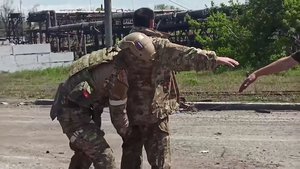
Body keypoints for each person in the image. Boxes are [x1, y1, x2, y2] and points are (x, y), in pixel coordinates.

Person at [110, 7, 240, 169]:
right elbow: (186, 55)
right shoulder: (157, 45)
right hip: (155, 114)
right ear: (152, 23)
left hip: (129, 114)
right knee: (161, 162)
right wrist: (215, 59)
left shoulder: (122, 46)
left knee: (130, 160)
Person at [50, 48, 129, 169]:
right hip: (71, 114)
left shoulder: (114, 58)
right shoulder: (119, 75)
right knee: (104, 155)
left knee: (85, 153)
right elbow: (118, 119)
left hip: (82, 110)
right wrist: (132, 136)